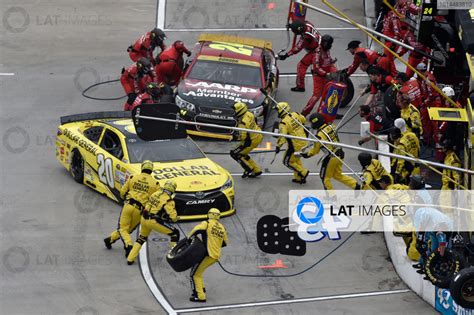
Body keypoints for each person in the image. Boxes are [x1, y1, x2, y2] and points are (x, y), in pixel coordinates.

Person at [104, 160, 160, 257]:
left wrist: (124, 199)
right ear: (151, 170)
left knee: (123, 229)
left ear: (142, 167)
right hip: (140, 210)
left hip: (129, 205)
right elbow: (156, 200)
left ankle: (128, 246)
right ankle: (109, 240)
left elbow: (123, 191)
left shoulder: (133, 177)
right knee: (128, 230)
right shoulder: (155, 184)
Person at [127, 180, 180, 265]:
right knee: (175, 233)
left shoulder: (155, 193)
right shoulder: (169, 200)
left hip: (144, 218)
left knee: (141, 238)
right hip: (153, 221)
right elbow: (172, 216)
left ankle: (130, 259)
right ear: (173, 189)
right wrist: (176, 218)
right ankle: (174, 257)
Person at [301, 113, 358, 190]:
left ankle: (331, 198)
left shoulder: (319, 136)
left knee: (324, 178)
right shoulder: (332, 126)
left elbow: (315, 151)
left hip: (331, 158)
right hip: (340, 153)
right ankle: (356, 186)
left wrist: (306, 155)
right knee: (337, 175)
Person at [188, 208, 228, 302]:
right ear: (218, 216)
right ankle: (201, 289)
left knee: (194, 275)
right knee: (198, 272)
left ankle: (200, 296)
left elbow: (196, 230)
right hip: (215, 256)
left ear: (209, 214)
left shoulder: (207, 223)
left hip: (207, 254)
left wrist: (189, 239)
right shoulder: (222, 227)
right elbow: (225, 243)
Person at [278, 20, 321, 92]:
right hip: (318, 44)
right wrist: (292, 25)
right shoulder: (307, 24)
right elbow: (299, 24)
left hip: (316, 51)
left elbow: (297, 48)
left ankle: (300, 86)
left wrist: (286, 55)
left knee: (301, 66)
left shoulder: (305, 37)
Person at [301, 35, 338, 117]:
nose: (329, 46)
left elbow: (327, 60)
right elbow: (316, 68)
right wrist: (326, 74)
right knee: (316, 96)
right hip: (319, 77)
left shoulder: (327, 50)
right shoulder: (317, 52)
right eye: (328, 44)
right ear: (324, 43)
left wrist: (332, 61)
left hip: (327, 75)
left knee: (330, 93)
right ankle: (304, 113)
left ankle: (328, 112)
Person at [275, 102, 310, 184]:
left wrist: (278, 146)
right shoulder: (295, 114)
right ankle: (298, 178)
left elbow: (282, 137)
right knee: (296, 160)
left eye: (277, 110)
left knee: (287, 162)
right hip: (304, 142)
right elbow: (303, 120)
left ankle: (303, 172)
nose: (277, 112)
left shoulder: (283, 123)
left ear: (281, 111)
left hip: (295, 146)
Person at [230, 102, 263, 178]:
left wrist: (234, 137)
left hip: (250, 141)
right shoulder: (249, 114)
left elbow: (242, 137)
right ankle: (256, 170)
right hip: (258, 135)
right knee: (243, 154)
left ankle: (249, 169)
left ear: (239, 111)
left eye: (235, 110)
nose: (234, 112)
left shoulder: (243, 123)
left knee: (234, 154)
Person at [416, 63, 442, 143]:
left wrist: (424, 102)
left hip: (434, 103)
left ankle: (436, 141)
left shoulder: (428, 80)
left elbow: (432, 94)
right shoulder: (425, 77)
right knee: (426, 120)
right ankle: (427, 138)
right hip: (430, 102)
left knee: (434, 123)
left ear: (420, 71)